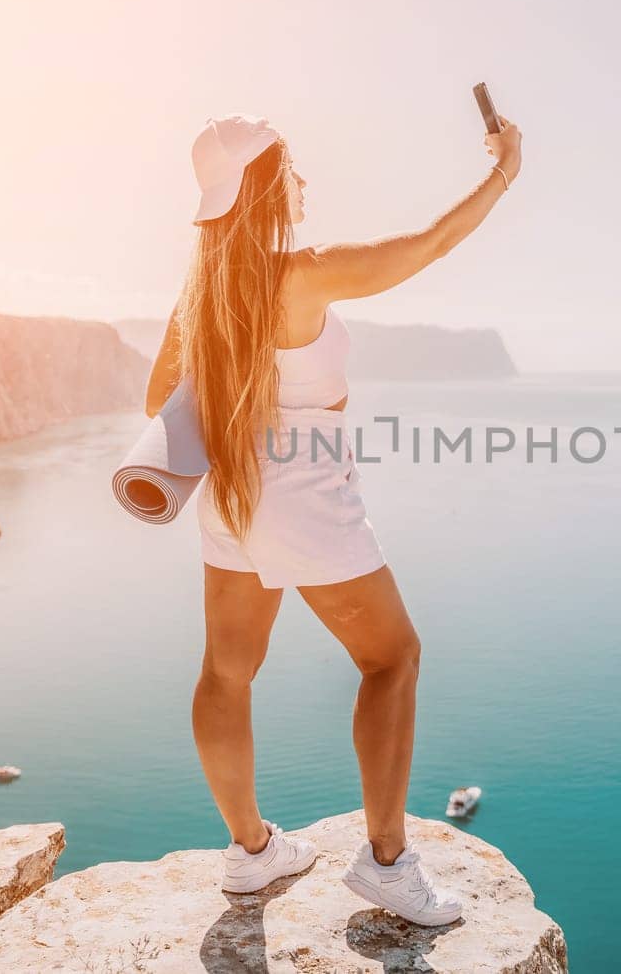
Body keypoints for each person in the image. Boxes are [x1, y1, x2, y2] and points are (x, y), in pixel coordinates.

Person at [143, 109, 522, 927]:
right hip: (306, 495)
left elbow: (157, 406)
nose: (306, 183)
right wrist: (502, 172)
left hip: (232, 496)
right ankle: (387, 864)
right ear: (269, 186)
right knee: (393, 658)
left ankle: (250, 854)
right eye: (295, 172)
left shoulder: (200, 293)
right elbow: (430, 244)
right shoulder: (300, 274)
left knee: (227, 671)